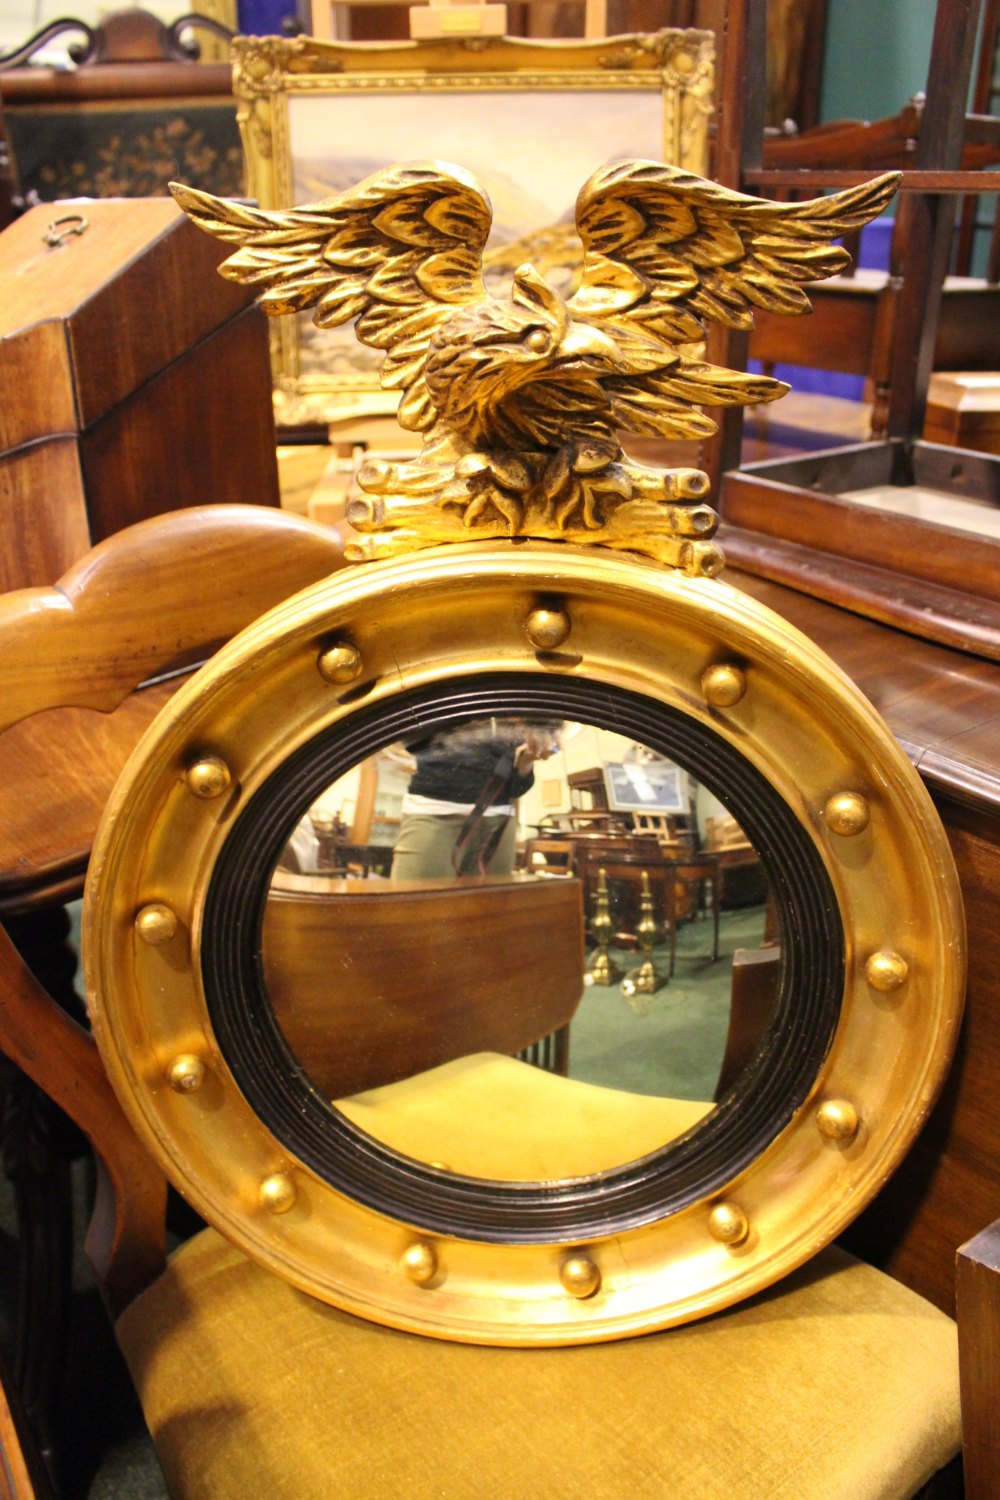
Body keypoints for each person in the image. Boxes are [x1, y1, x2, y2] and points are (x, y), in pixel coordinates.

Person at [391, 716, 557, 879]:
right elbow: (409, 735)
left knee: (493, 903)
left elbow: (516, 789)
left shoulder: (516, 710)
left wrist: (526, 761)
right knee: (416, 902)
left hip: (499, 820)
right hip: (434, 813)